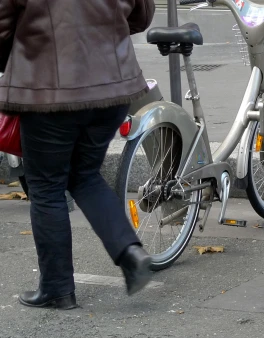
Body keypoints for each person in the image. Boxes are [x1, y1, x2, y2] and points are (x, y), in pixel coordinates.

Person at [0, 0, 156, 310]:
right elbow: (142, 15)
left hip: (49, 91)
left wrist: (22, 53)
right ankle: (129, 251)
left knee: (46, 186)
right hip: (113, 87)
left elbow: (2, 25)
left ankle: (57, 288)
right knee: (83, 175)